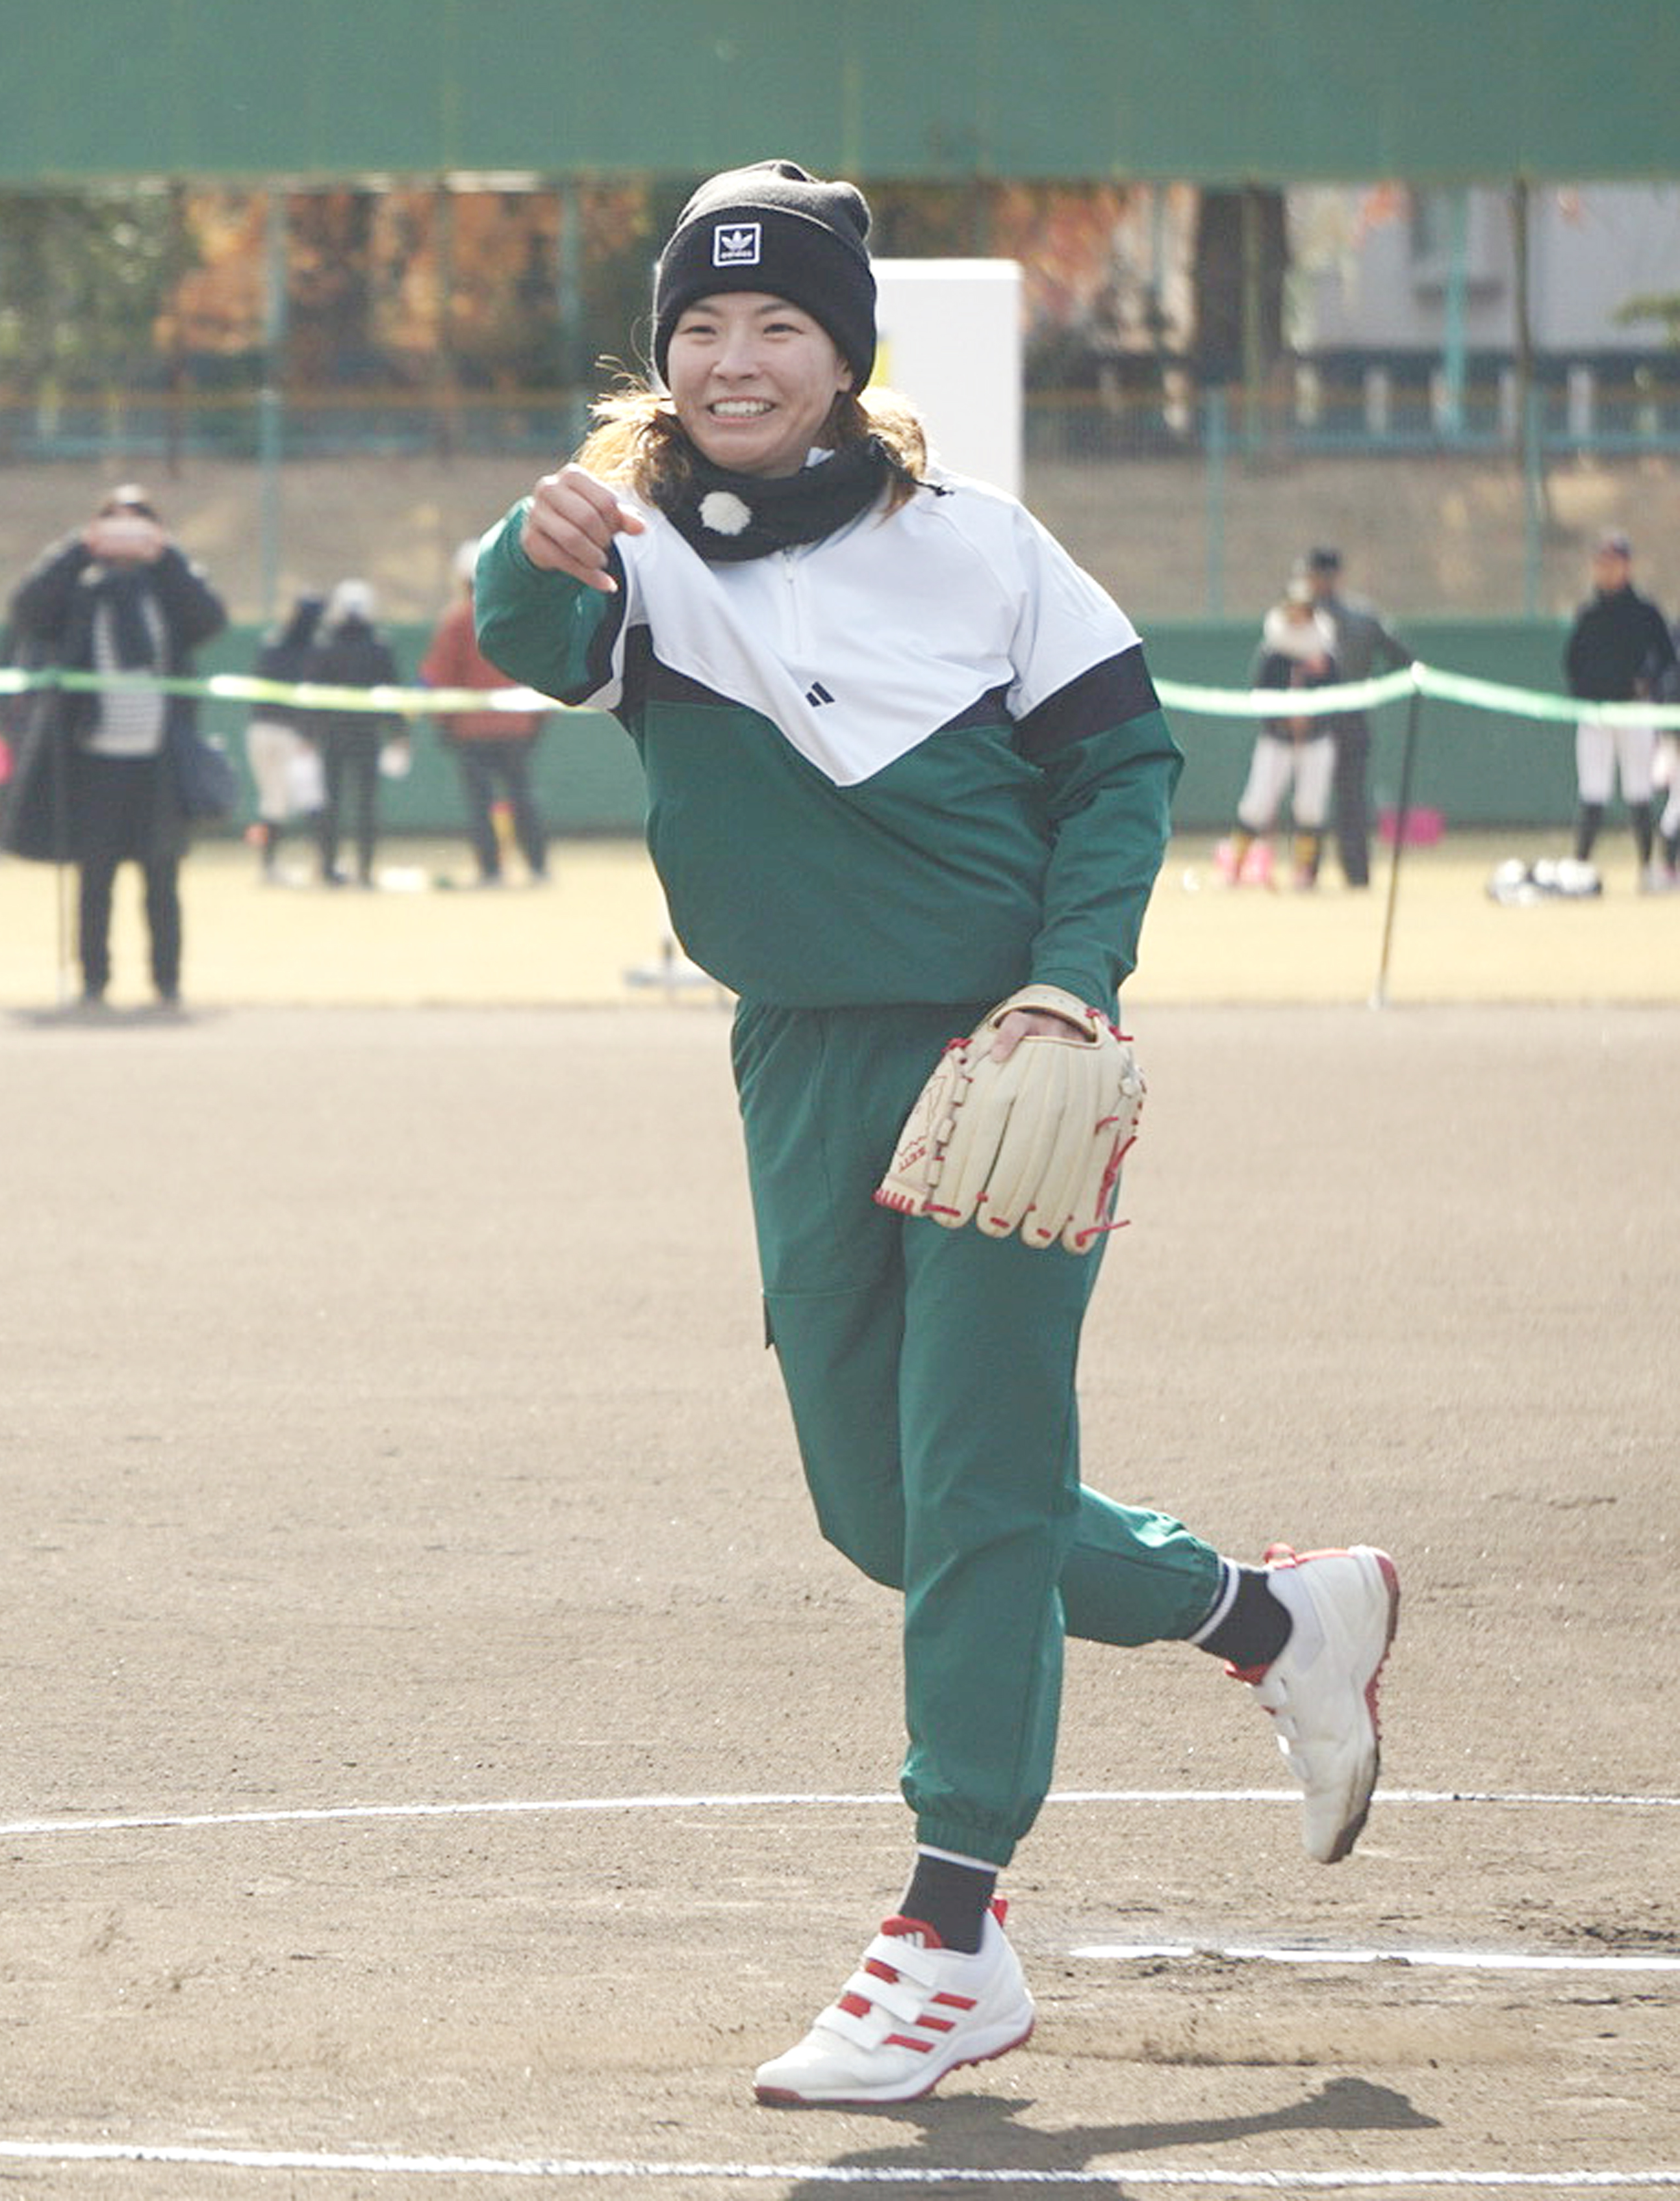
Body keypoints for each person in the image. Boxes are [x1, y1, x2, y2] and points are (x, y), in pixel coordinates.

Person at [471, 157, 1398, 2109]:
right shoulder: (634, 548)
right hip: (800, 1055)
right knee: (879, 1508)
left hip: (1008, 1050)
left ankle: (951, 1926)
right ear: (662, 355)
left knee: (974, 1477)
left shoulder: (979, 545)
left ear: (843, 356)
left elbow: (1124, 766)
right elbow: (523, 634)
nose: (735, 358)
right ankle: (1272, 1616)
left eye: (777, 324)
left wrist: (1070, 982)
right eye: (700, 326)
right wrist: (527, 541)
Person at [0, 484, 228, 1007]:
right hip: (92, 760)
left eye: (137, 525)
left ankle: (166, 982)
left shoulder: (166, 592)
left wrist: (166, 556)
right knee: (94, 880)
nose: (126, 536)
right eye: (115, 525)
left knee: (162, 879)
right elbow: (27, 609)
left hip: (158, 762)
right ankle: (94, 982)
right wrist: (79, 550)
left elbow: (210, 619)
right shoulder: (81, 591)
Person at [420, 537, 552, 888]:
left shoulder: (457, 620)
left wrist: (443, 723)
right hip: (517, 727)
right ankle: (538, 866)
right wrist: (537, 719)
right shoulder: (519, 613)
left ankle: (491, 870)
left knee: (482, 802)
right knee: (523, 796)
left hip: (471, 730)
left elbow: (440, 676)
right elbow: (541, 668)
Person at [1563, 530, 1676, 886]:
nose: (1606, 569)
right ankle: (1580, 869)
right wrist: (1585, 695)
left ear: (1627, 566)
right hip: (1596, 716)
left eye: (1613, 562)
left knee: (1638, 793)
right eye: (1601, 563)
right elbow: (1572, 662)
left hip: (1635, 713)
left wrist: (1648, 682)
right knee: (1593, 792)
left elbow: (1667, 658)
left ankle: (1647, 869)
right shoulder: (1589, 613)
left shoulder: (1644, 612)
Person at [1216, 576, 1340, 891]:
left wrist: (1312, 717)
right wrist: (1283, 718)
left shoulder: (1325, 650)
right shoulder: (1273, 652)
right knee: (1257, 803)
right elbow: (1261, 694)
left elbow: (1337, 695)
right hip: (1277, 740)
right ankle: (1236, 868)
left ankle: (1304, 872)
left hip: (1315, 740)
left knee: (1310, 807)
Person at [1299, 546, 1411, 888]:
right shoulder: (1362, 616)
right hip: (1338, 722)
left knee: (1323, 801)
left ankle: (1317, 873)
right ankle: (1343, 874)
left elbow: (1404, 660)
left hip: (1320, 723)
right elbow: (1405, 660)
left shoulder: (1303, 618)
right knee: (1332, 801)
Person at [300, 580, 401, 888]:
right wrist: (398, 732)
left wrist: (308, 733)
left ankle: (329, 867)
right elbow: (391, 692)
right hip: (366, 735)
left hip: (333, 735)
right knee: (366, 804)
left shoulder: (325, 645)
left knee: (331, 803)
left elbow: (312, 691)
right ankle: (365, 870)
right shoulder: (379, 646)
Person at [243, 593, 327, 882]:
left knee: (272, 800)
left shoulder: (271, 643)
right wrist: (309, 734)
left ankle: (269, 866)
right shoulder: (313, 649)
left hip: (259, 731)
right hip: (292, 734)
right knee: (310, 797)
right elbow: (311, 696)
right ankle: (325, 862)